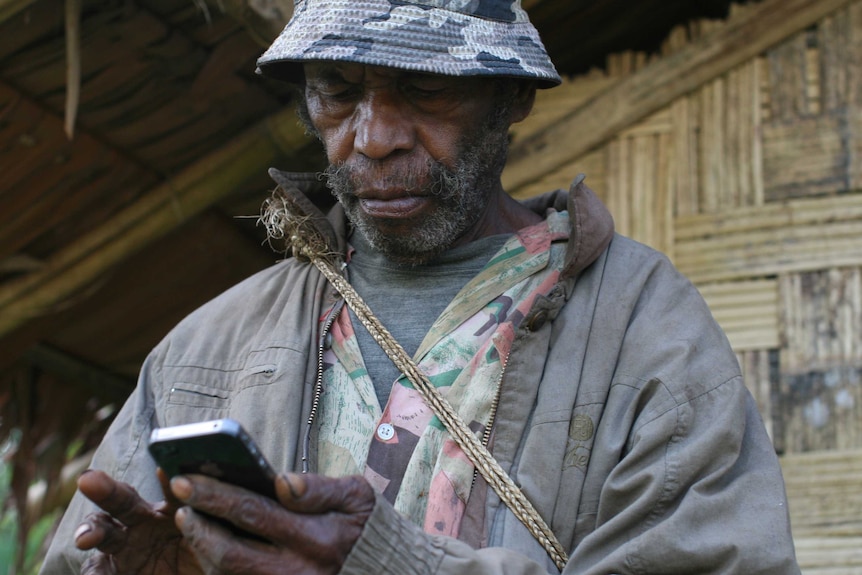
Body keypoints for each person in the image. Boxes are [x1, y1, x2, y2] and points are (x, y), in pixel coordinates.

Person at [41, 0, 801, 573]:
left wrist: (394, 563)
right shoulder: (210, 347)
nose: (374, 136)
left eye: (425, 88)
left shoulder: (645, 329)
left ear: (513, 98)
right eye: (337, 89)